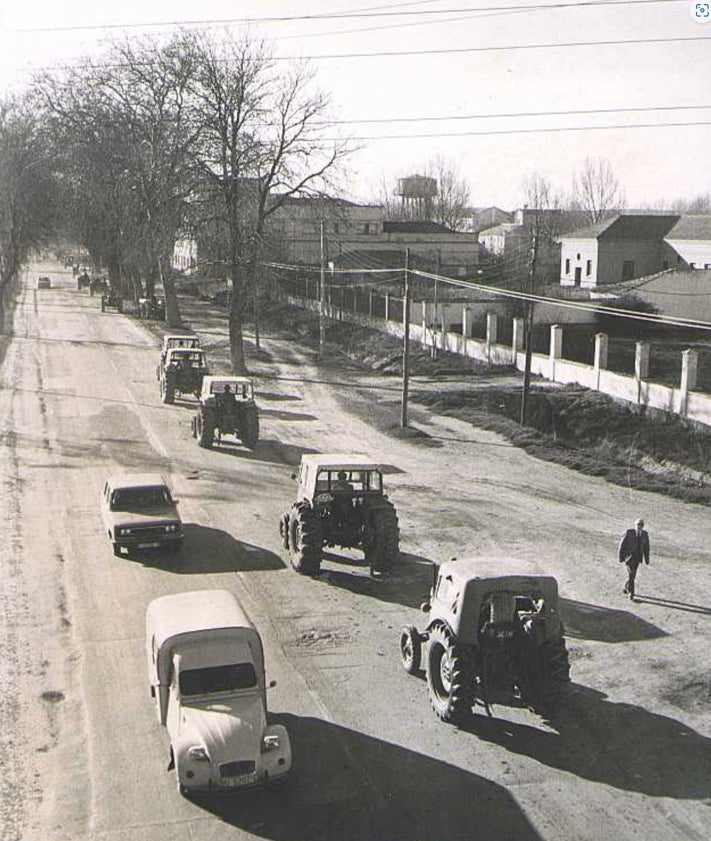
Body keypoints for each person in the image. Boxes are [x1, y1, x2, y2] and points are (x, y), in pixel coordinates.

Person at [618, 518, 650, 602]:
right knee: (631, 574)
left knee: (633, 575)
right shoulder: (629, 532)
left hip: (638, 558)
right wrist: (620, 557)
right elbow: (622, 545)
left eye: (641, 525)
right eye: (638, 525)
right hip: (629, 558)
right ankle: (631, 593)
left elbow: (647, 548)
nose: (639, 527)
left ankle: (626, 587)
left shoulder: (645, 534)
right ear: (635, 525)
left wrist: (647, 559)